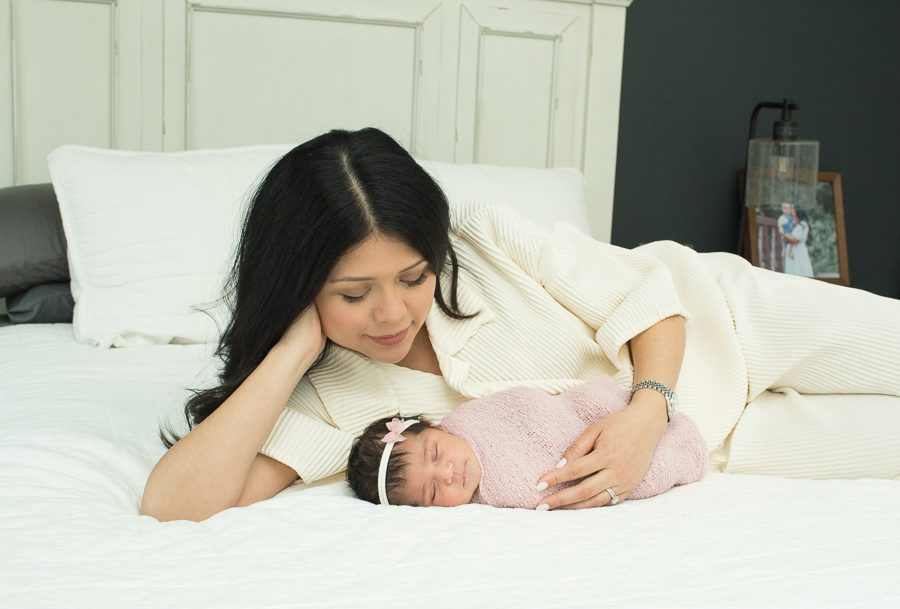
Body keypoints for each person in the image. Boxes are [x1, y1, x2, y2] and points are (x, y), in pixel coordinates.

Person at [140, 127, 900, 523]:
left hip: (734, 323)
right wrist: (294, 346)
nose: (394, 313)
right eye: (352, 293)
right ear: (303, 287)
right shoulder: (331, 395)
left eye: (412, 278)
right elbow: (172, 507)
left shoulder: (481, 235)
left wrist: (645, 411)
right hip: (722, 449)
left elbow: (648, 295)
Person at [345, 377, 707, 509]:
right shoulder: (495, 492)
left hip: (617, 404)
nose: (449, 473)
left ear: (435, 427)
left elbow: (530, 406)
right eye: (433, 491)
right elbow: (545, 486)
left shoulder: (472, 418)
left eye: (436, 454)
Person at [782, 208, 814, 277]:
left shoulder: (803, 224)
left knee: (800, 269)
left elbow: (796, 240)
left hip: (798, 251)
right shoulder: (795, 223)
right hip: (794, 251)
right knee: (794, 270)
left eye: (793, 209)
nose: (791, 211)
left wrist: (784, 235)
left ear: (798, 212)